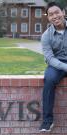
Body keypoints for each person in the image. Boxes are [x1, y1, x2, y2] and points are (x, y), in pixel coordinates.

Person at [39, 1, 67, 132]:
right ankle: (47, 121)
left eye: (57, 12)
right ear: (48, 17)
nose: (55, 16)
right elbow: (50, 58)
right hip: (56, 64)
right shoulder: (45, 36)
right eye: (51, 14)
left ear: (64, 12)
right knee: (49, 80)